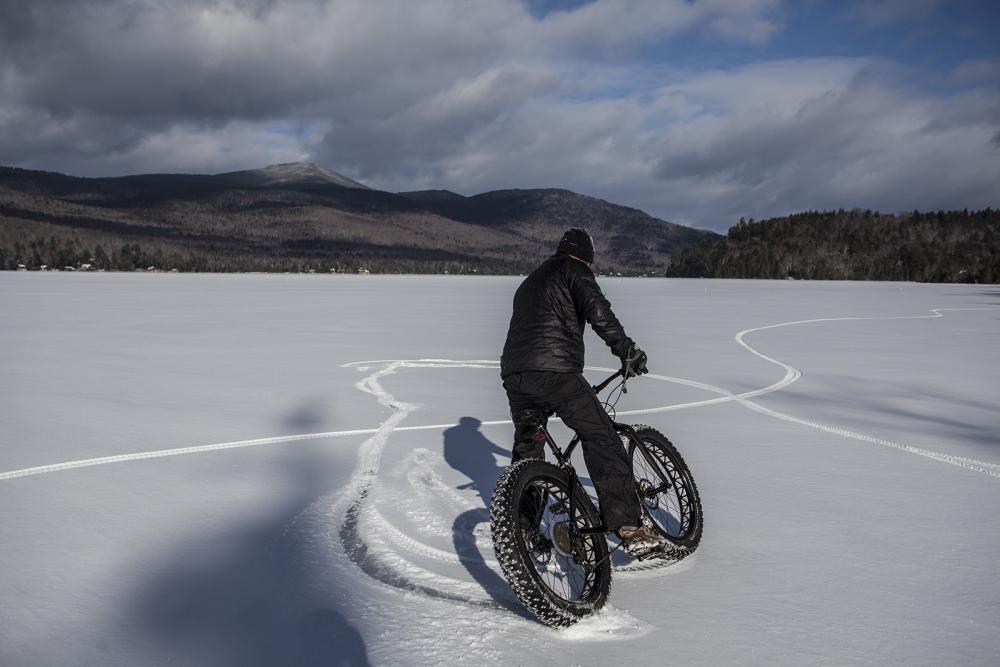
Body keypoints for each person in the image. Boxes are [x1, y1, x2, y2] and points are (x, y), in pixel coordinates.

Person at [500, 228, 666, 556]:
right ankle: (629, 526)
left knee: (529, 449)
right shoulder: (574, 270)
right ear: (586, 256)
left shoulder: (529, 281)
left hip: (515, 376)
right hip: (556, 373)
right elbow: (599, 313)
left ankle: (527, 530)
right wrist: (628, 352)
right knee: (601, 436)